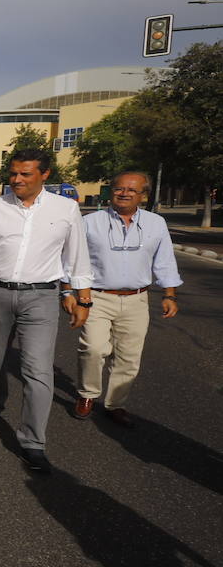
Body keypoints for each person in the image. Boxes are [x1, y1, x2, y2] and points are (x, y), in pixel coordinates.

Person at [0, 148, 92, 472]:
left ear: (45, 175)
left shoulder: (66, 209)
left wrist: (83, 299)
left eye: (25, 174)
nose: (16, 180)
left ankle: (33, 442)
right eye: (13, 173)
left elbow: (77, 259)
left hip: (41, 297)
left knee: (37, 370)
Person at [71, 171, 182, 428]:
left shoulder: (156, 224)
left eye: (132, 190)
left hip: (136, 299)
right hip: (96, 297)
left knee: (129, 356)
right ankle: (87, 395)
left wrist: (169, 294)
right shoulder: (90, 222)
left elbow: (164, 261)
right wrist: (72, 293)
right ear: (111, 191)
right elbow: (75, 259)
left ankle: (116, 404)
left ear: (143, 195)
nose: (124, 193)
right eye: (119, 189)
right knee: (94, 348)